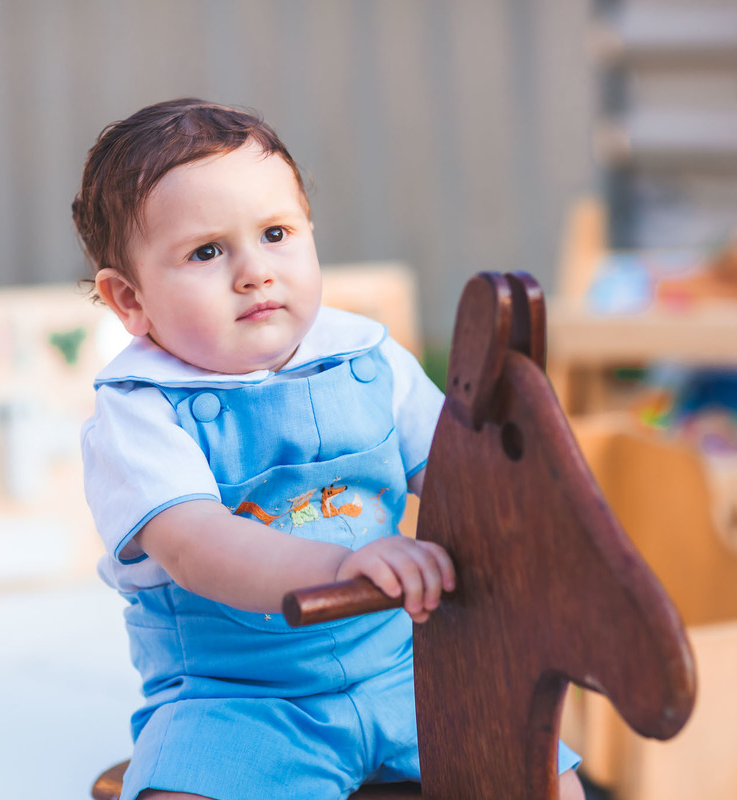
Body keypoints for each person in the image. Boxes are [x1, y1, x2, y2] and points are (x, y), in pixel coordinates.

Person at [73, 97, 584, 800]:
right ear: (129, 299)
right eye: (207, 251)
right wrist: (345, 564)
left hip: (406, 666)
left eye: (276, 233)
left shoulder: (367, 356)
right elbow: (197, 545)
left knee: (539, 772)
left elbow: (456, 475)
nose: (254, 271)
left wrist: (520, 523)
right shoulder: (137, 411)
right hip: (237, 697)